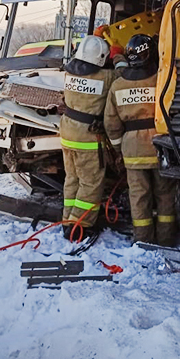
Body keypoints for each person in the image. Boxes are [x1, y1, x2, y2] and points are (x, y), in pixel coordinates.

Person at [104, 34, 176, 246]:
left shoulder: (118, 85)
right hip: (160, 146)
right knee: (165, 194)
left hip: (132, 149)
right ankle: (166, 238)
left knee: (138, 196)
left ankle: (143, 240)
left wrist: (119, 148)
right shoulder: (162, 79)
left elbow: (111, 122)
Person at [60, 36, 121, 239]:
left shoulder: (69, 73)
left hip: (67, 134)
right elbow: (124, 76)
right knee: (90, 182)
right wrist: (119, 56)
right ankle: (81, 226)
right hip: (87, 138)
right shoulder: (106, 76)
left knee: (72, 179)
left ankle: (68, 220)